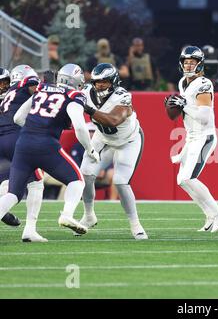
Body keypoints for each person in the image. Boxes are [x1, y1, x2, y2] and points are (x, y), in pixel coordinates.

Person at [0, 63, 99, 240]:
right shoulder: (73, 95)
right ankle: (67, 214)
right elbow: (80, 128)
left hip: (23, 144)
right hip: (46, 145)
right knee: (77, 180)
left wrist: (32, 130)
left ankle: (29, 231)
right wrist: (90, 149)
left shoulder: (42, 89)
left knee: (13, 194)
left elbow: (18, 117)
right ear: (76, 81)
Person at [164, 46, 218, 233]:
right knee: (182, 180)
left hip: (205, 136)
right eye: (186, 62)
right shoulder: (182, 82)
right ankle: (210, 215)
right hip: (191, 137)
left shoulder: (204, 84)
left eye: (192, 62)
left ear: (200, 64)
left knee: (188, 178)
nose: (189, 65)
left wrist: (183, 105)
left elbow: (203, 117)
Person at [80, 63, 147, 240]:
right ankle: (88, 216)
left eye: (104, 81)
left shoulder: (122, 96)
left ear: (113, 81)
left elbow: (113, 120)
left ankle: (135, 224)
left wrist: (88, 108)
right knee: (85, 174)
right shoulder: (86, 92)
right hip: (102, 138)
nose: (100, 85)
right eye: (97, 82)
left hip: (128, 140)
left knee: (120, 181)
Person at [0, 65, 44, 239]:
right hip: (15, 139)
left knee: (8, 185)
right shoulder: (24, 85)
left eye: (4, 82)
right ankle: (30, 229)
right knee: (36, 182)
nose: (3, 86)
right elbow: (39, 89)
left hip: (2, 141)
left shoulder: (9, 95)